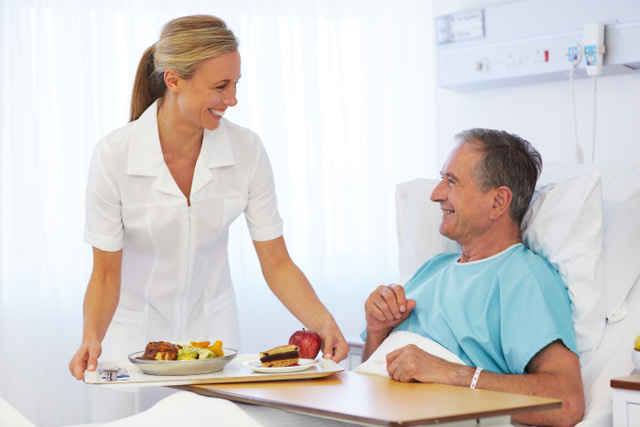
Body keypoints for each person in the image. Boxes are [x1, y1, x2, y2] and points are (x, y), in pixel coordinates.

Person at [69, 14, 348, 383]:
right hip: (134, 344)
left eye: (235, 84)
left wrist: (324, 322)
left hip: (214, 341)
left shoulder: (246, 151)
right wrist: (91, 337)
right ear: (174, 80)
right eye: (220, 86)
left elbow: (276, 262)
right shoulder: (113, 157)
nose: (232, 99)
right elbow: (105, 274)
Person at [362, 128, 585, 427]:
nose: (435, 194)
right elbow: (374, 368)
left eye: (451, 181)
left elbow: (567, 402)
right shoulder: (432, 268)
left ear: (498, 202)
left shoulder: (522, 276)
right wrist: (377, 330)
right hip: (364, 408)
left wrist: (452, 375)